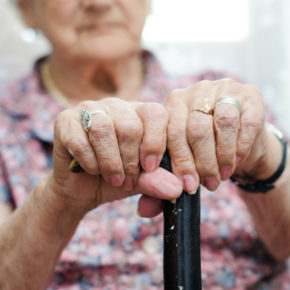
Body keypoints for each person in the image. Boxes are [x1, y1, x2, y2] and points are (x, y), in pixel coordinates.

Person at [0, 0, 289, 289]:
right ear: (27, 9)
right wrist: (58, 200)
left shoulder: (222, 98)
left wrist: (262, 159)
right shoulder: (6, 123)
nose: (99, 3)